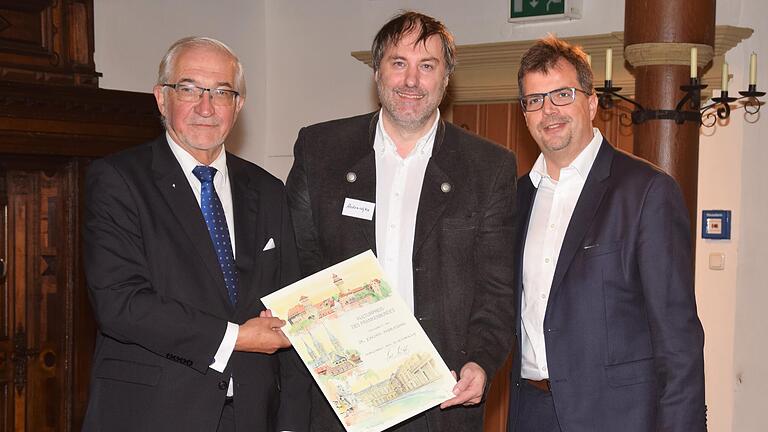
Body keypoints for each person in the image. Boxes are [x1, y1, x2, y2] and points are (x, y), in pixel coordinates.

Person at [286, 11, 517, 432]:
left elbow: (497, 290)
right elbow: (299, 263)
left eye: (427, 66)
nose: (411, 81)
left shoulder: (488, 167)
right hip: (343, 401)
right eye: (398, 63)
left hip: (443, 398)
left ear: (446, 80)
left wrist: (481, 363)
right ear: (377, 73)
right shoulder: (320, 151)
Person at [82, 36, 310, 432]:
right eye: (188, 89)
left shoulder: (269, 190)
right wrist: (235, 337)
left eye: (221, 92)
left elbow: (290, 310)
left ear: (238, 105)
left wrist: (291, 423)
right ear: (161, 98)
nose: (205, 107)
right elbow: (121, 304)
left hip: (252, 416)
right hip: (153, 413)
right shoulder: (118, 180)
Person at [508, 35, 706, 432]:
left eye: (562, 94)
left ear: (592, 102)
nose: (549, 110)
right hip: (531, 413)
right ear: (525, 114)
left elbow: (678, 342)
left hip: (617, 418)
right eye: (535, 100)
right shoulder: (517, 198)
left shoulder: (646, 191)